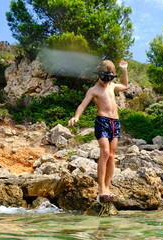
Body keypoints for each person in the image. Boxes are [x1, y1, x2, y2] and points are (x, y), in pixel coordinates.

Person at [68, 60, 129, 202]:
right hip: (102, 122)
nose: (106, 82)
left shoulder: (112, 86)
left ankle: (107, 187)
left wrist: (124, 70)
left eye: (109, 78)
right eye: (104, 78)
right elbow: (82, 105)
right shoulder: (93, 90)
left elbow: (125, 86)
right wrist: (76, 117)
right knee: (105, 152)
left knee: (112, 156)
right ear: (98, 75)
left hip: (115, 123)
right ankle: (101, 188)